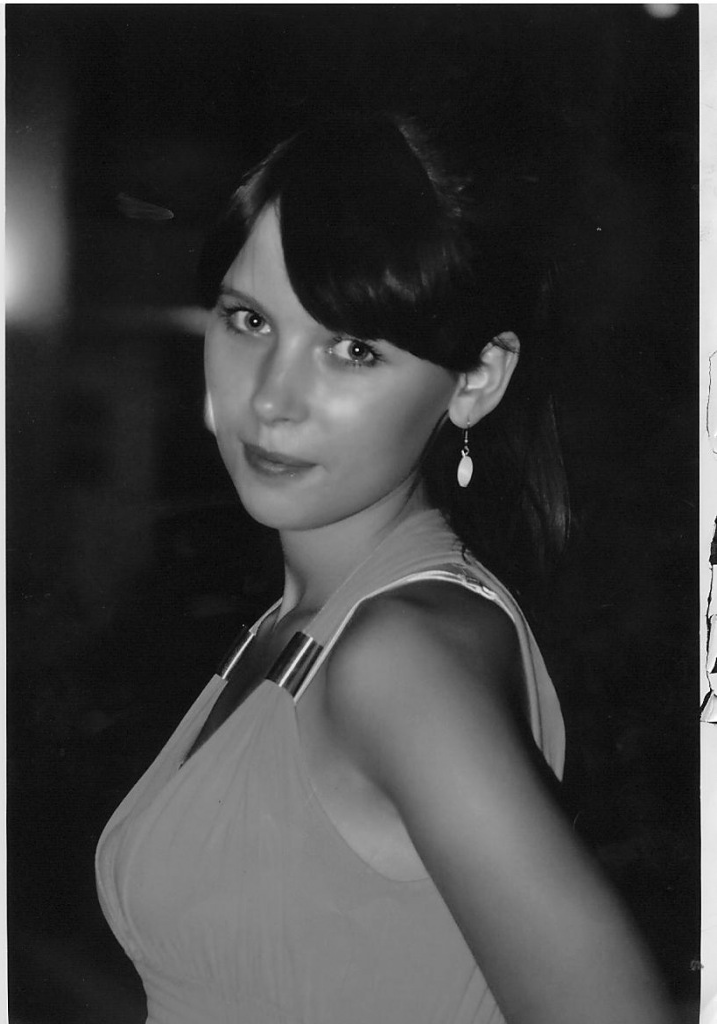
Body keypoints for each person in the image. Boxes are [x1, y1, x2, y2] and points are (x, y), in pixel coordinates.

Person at [96, 114, 673, 1024]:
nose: (272, 399)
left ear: (476, 380)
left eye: (353, 348)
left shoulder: (398, 657)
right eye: (249, 320)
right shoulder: (299, 624)